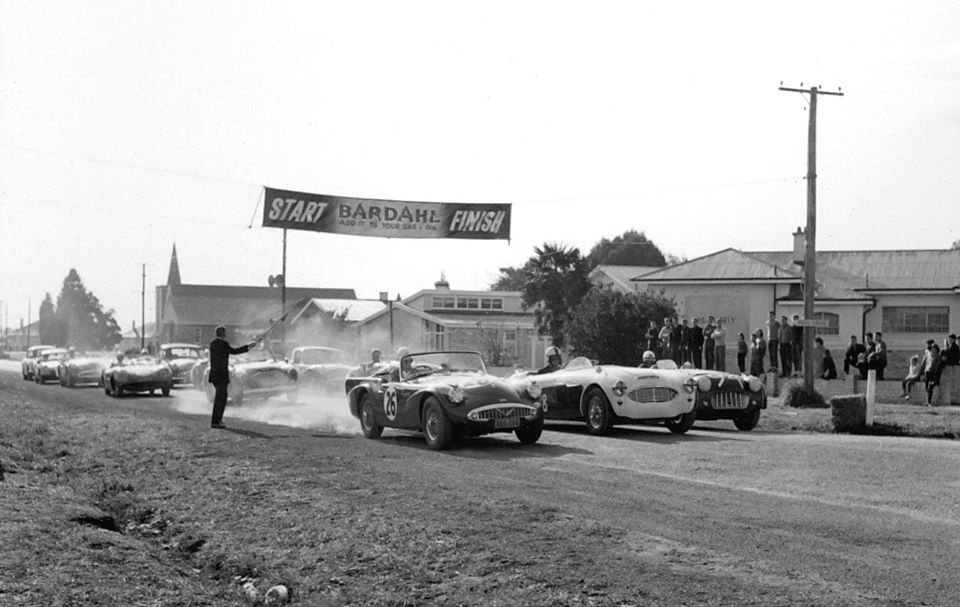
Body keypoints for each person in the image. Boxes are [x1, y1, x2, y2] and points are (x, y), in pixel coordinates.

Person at [209, 325, 258, 429]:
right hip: (221, 375)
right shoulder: (223, 344)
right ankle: (216, 421)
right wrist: (249, 346)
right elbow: (235, 351)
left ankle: (217, 420)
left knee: (220, 398)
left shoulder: (213, 343)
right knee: (221, 399)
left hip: (214, 375)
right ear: (224, 334)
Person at [921, 340, 942, 406]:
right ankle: (927, 401)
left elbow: (938, 367)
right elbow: (925, 364)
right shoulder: (929, 355)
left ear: (936, 349)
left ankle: (929, 402)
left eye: (934, 349)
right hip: (927, 372)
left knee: (930, 387)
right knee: (926, 387)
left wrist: (936, 377)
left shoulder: (938, 357)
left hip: (933, 374)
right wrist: (923, 372)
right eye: (932, 348)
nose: (933, 350)